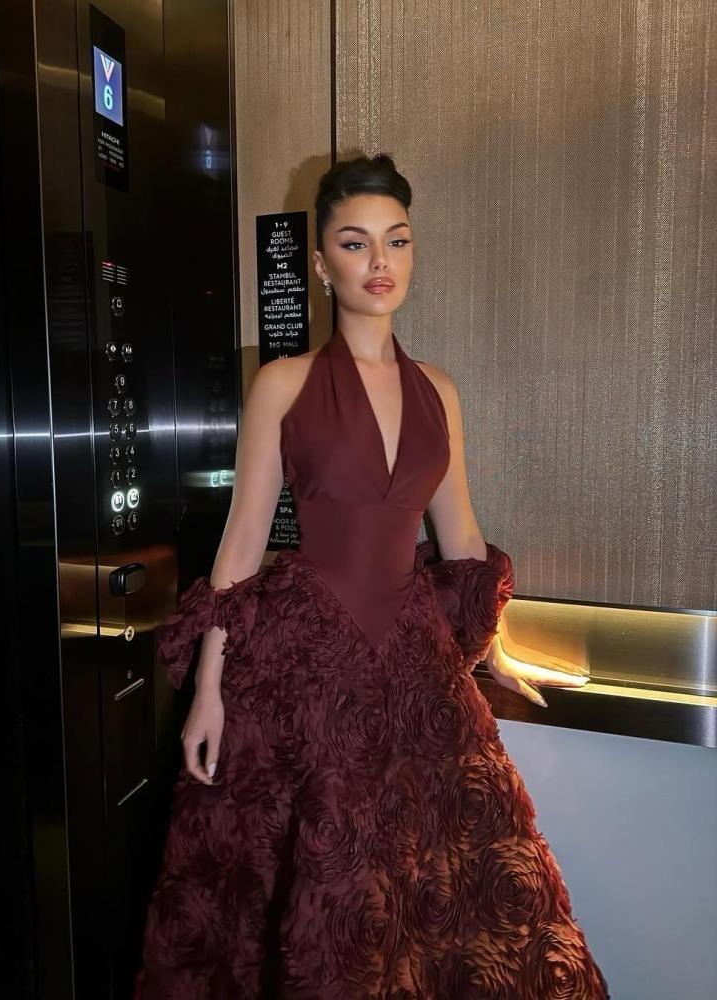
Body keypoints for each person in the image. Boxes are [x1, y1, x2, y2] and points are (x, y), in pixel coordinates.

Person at [134, 154, 610, 999]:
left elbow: (461, 539)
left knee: (452, 908)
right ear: (322, 263)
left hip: (417, 669)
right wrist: (208, 689)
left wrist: (498, 652)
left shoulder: (439, 391)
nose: (380, 261)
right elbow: (241, 542)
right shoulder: (281, 384)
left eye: (397, 240)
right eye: (355, 244)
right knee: (331, 902)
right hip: (307, 669)